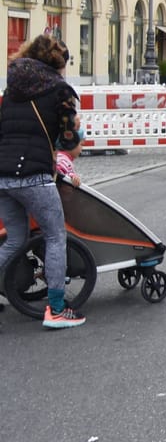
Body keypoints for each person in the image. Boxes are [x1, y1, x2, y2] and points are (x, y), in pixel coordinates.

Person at [0, 35, 87, 328]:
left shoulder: (12, 89)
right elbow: (68, 141)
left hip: (2, 175)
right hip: (33, 175)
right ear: (58, 63)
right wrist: (72, 127)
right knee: (54, 236)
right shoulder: (59, 91)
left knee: (15, 239)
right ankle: (57, 310)